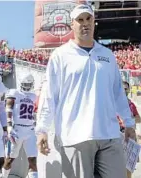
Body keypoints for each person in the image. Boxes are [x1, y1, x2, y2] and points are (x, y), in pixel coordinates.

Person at [36, 3, 136, 178]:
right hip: (75, 136)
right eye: (80, 20)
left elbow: (118, 93)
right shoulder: (60, 55)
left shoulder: (107, 55)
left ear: (94, 21)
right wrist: (42, 129)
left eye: (88, 18)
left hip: (109, 134)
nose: (85, 23)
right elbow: (49, 95)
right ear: (72, 24)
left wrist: (128, 122)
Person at [2, 74, 38, 178]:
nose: (27, 86)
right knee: (9, 159)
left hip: (30, 130)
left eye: (29, 84)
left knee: (33, 160)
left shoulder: (33, 96)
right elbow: (8, 108)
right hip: (16, 129)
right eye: (25, 84)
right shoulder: (14, 92)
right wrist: (9, 126)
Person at [119, 81, 141, 178]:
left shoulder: (131, 104)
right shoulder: (113, 104)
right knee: (117, 165)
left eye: (126, 89)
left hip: (130, 137)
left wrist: (129, 120)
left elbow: (139, 118)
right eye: (122, 89)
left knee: (129, 166)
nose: (124, 91)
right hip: (117, 136)